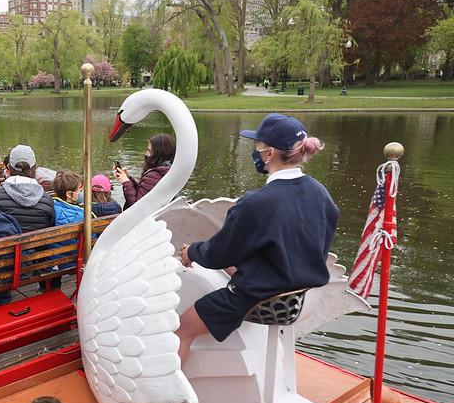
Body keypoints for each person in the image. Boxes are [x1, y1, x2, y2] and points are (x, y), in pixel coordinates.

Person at [175, 113, 338, 362]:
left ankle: (164, 388)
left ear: (270, 153)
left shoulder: (256, 202)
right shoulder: (321, 193)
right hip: (302, 296)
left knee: (182, 332)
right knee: (233, 262)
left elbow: (218, 254)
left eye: (257, 147)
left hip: (263, 300)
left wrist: (192, 252)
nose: (255, 152)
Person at [0, 145, 55, 309]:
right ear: (34, 168)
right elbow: (49, 233)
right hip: (32, 265)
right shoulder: (46, 200)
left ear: (9, 168)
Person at [113, 133, 176, 210]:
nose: (146, 154)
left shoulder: (153, 175)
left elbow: (136, 208)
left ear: (158, 154)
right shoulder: (169, 172)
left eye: (149, 151)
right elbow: (144, 193)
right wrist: (128, 178)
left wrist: (126, 183)